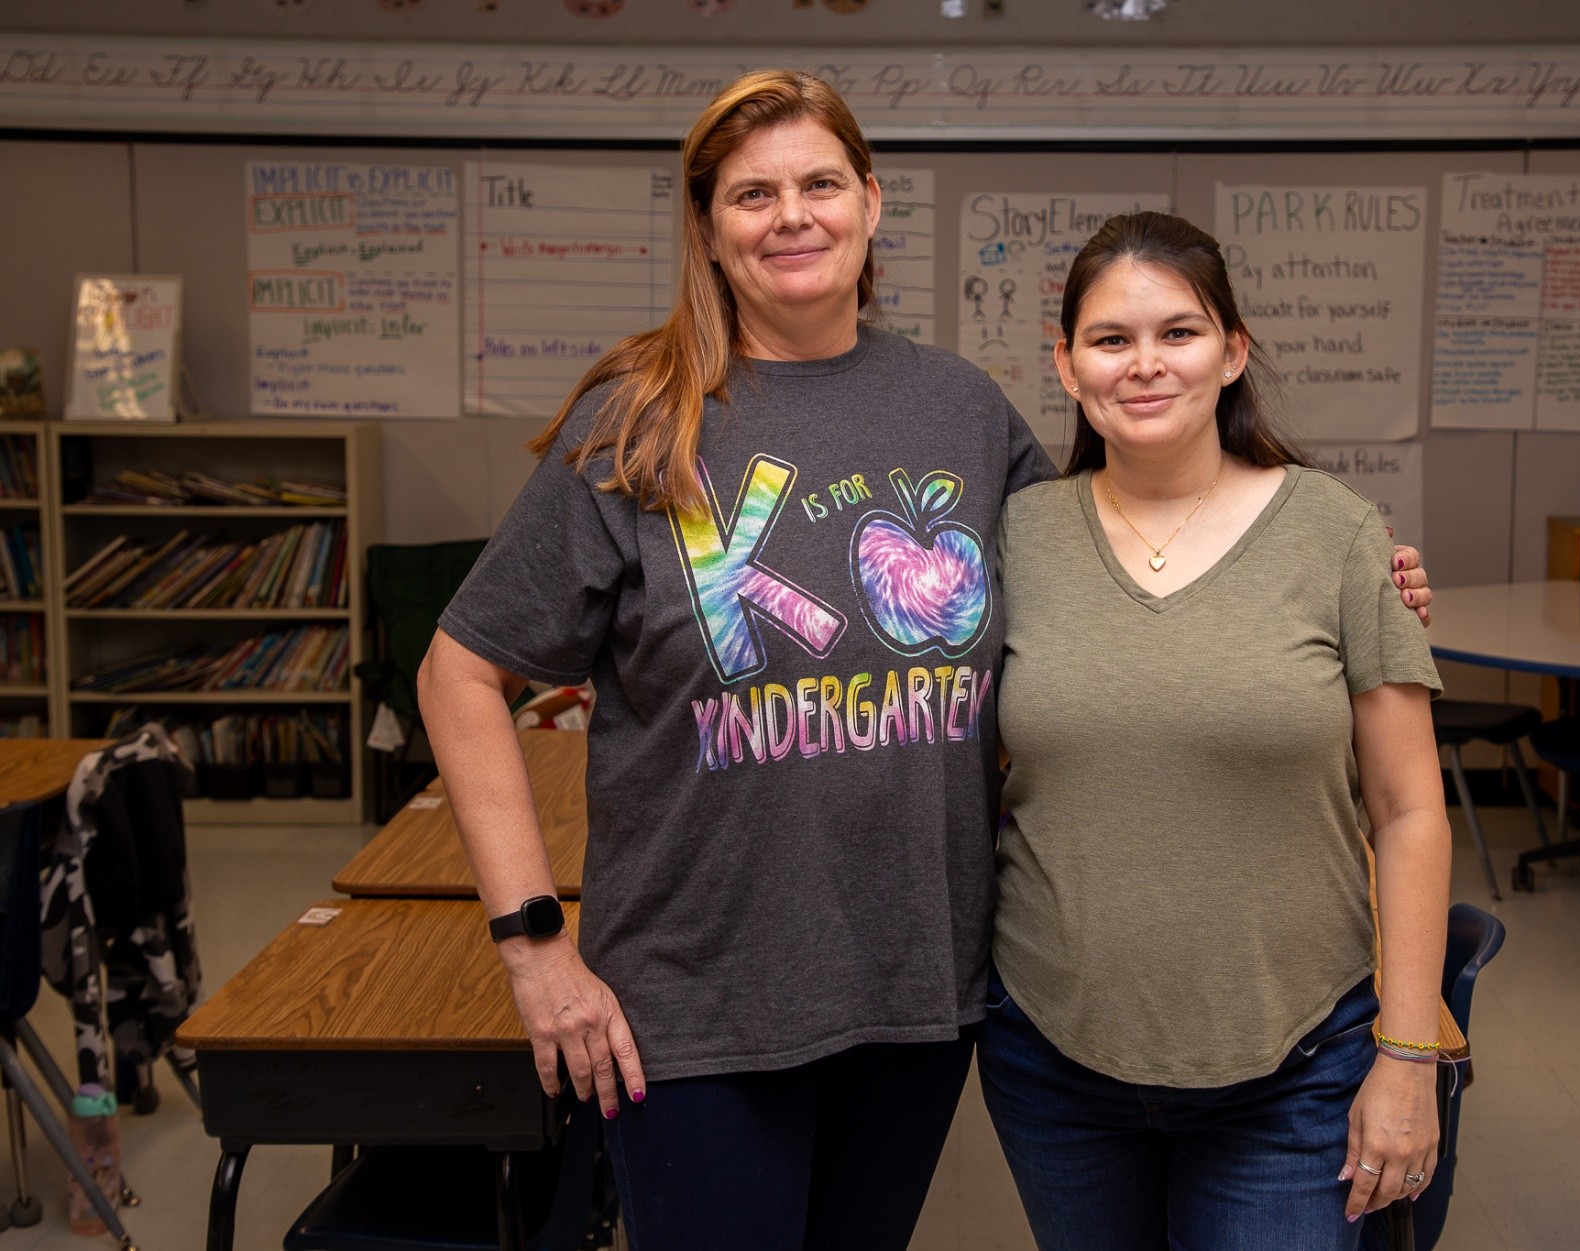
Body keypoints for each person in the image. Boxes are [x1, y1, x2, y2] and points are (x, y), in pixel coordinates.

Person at [417, 72, 1433, 1249]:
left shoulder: (957, 410)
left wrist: (1350, 580)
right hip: (698, 1000)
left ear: (870, 202)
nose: (790, 215)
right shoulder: (640, 416)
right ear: (706, 227)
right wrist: (534, 945)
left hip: (916, 988)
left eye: (818, 183)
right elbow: (460, 672)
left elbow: (1117, 574)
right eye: (751, 193)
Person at [978, 210, 1452, 1251]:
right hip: (1054, 1057)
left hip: (1295, 1063)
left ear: (1232, 351)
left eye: (1177, 333)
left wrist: (1406, 1056)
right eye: (1109, 340)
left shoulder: (1336, 533)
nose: (1143, 365)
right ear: (1064, 365)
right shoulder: (1015, 538)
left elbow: (1410, 809)